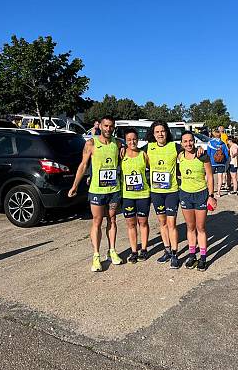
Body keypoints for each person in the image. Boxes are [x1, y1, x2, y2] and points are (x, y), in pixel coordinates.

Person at [68, 115, 123, 272]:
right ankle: (96, 255)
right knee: (97, 221)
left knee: (112, 220)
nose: (108, 129)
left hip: (113, 190)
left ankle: (112, 250)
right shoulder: (91, 143)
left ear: (114, 127)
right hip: (97, 191)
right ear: (100, 126)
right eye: (106, 126)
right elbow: (83, 165)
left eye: (111, 126)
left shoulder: (118, 144)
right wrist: (74, 186)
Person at [143, 121, 181, 269]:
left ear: (167, 132)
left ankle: (175, 254)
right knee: (162, 223)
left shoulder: (174, 146)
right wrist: (122, 148)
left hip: (171, 191)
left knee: (171, 223)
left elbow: (190, 151)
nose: (160, 134)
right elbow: (132, 151)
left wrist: (200, 152)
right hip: (156, 192)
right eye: (157, 131)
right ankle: (166, 250)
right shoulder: (149, 147)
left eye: (163, 131)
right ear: (153, 134)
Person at [179, 131, 216, 271]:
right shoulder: (180, 155)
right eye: (185, 141)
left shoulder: (202, 155)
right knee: (190, 227)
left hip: (201, 194)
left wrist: (211, 196)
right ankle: (192, 255)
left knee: (200, 228)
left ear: (194, 141)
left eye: (190, 141)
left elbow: (210, 176)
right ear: (181, 143)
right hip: (185, 195)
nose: (188, 144)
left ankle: (203, 257)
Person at [121, 127, 150, 263]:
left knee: (143, 222)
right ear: (125, 141)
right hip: (128, 196)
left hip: (143, 194)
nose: (132, 142)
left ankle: (143, 249)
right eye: (129, 140)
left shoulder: (143, 154)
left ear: (138, 140)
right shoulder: (121, 154)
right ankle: (134, 250)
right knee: (131, 224)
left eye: (134, 139)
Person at [207, 128, 229, 198]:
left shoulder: (210, 143)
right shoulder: (223, 144)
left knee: (210, 177)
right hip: (221, 163)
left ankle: (210, 191)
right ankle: (218, 192)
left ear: (213, 135)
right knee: (220, 177)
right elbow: (226, 155)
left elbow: (208, 153)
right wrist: (224, 161)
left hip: (212, 162)